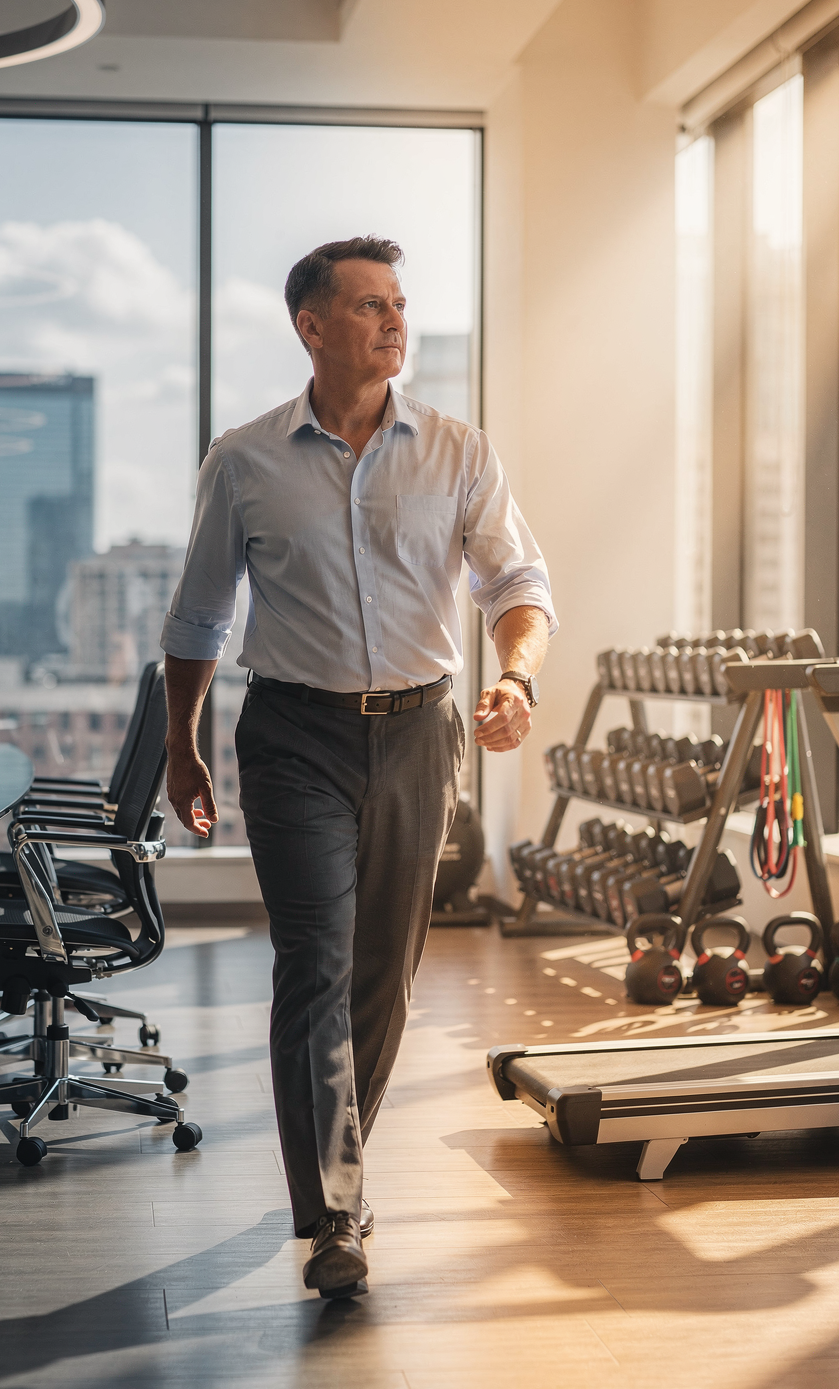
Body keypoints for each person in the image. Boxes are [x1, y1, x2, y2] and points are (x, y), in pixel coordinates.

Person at [161, 235, 554, 1299]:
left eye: (399, 303)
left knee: (385, 966)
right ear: (313, 325)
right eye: (371, 305)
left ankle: (339, 1149)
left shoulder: (458, 450)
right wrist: (180, 738)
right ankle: (335, 1209)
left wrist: (514, 679)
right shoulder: (243, 459)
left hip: (422, 731)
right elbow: (199, 612)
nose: (394, 321)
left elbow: (516, 579)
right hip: (293, 733)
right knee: (317, 961)